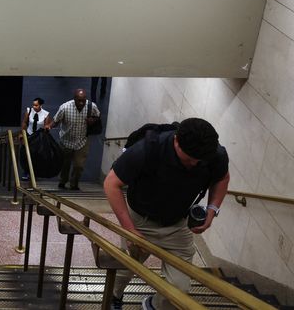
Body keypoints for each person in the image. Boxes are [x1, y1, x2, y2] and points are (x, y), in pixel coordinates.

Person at [103, 118, 229, 310]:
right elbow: (111, 184)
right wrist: (129, 230)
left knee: (178, 290)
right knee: (125, 271)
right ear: (176, 140)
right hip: (140, 222)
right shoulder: (148, 148)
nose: (194, 163)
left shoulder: (214, 154)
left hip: (178, 225)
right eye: (189, 158)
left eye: (199, 160)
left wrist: (213, 209)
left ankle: (153, 305)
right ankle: (115, 296)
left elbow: (222, 178)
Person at [46, 88, 99, 190]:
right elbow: (56, 120)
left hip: (82, 141)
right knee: (65, 164)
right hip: (66, 141)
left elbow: (97, 116)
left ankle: (74, 184)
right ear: (74, 99)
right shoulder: (65, 107)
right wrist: (49, 126)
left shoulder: (91, 106)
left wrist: (93, 120)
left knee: (79, 166)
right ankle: (62, 181)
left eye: (83, 100)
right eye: (79, 100)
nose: (81, 103)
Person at [19, 97, 50, 179]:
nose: (34, 107)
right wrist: (22, 133)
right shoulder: (29, 111)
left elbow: (46, 125)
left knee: (36, 155)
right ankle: (26, 171)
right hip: (29, 134)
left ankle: (35, 172)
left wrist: (47, 128)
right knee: (26, 153)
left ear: (40, 105)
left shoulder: (45, 114)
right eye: (33, 105)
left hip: (38, 137)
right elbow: (25, 122)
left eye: (36, 105)